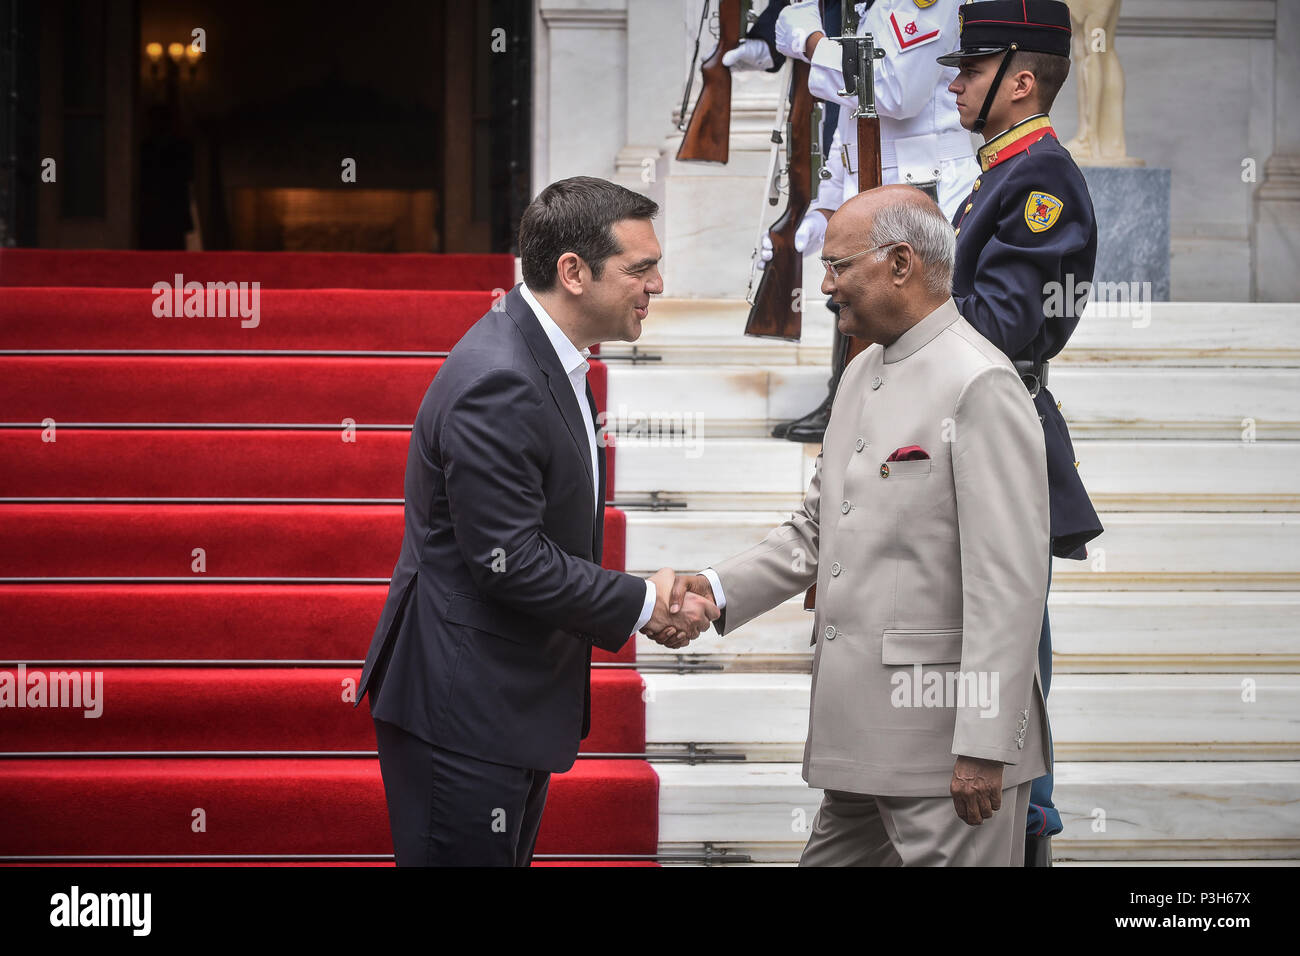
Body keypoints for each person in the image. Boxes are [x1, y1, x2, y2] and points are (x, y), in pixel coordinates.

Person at [667, 185, 1052, 866]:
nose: (825, 285)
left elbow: (1009, 585)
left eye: (839, 266)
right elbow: (818, 531)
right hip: (857, 738)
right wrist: (713, 590)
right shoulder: (862, 370)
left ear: (900, 263)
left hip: (945, 750)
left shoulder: (979, 383)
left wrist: (986, 744)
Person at [354, 176, 719, 866]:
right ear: (573, 273)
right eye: (641, 269)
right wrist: (644, 602)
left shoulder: (547, 357)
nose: (659, 285)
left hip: (502, 700)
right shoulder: (502, 376)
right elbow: (510, 560)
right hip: (462, 706)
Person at [938, 0, 1104, 865]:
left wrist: (909, 298)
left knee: (1011, 642)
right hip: (981, 431)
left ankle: (1029, 830)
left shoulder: (1038, 180)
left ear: (1022, 81)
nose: (958, 84)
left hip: (1005, 437)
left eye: (971, 71)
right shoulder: (1002, 172)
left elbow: (1000, 321)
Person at [757, 0, 980, 442]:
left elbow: (896, 92)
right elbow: (853, 114)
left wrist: (812, 43)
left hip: (923, 189)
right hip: (878, 182)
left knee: (910, 310)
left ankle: (899, 418)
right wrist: (828, 201)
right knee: (855, 293)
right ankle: (847, 400)